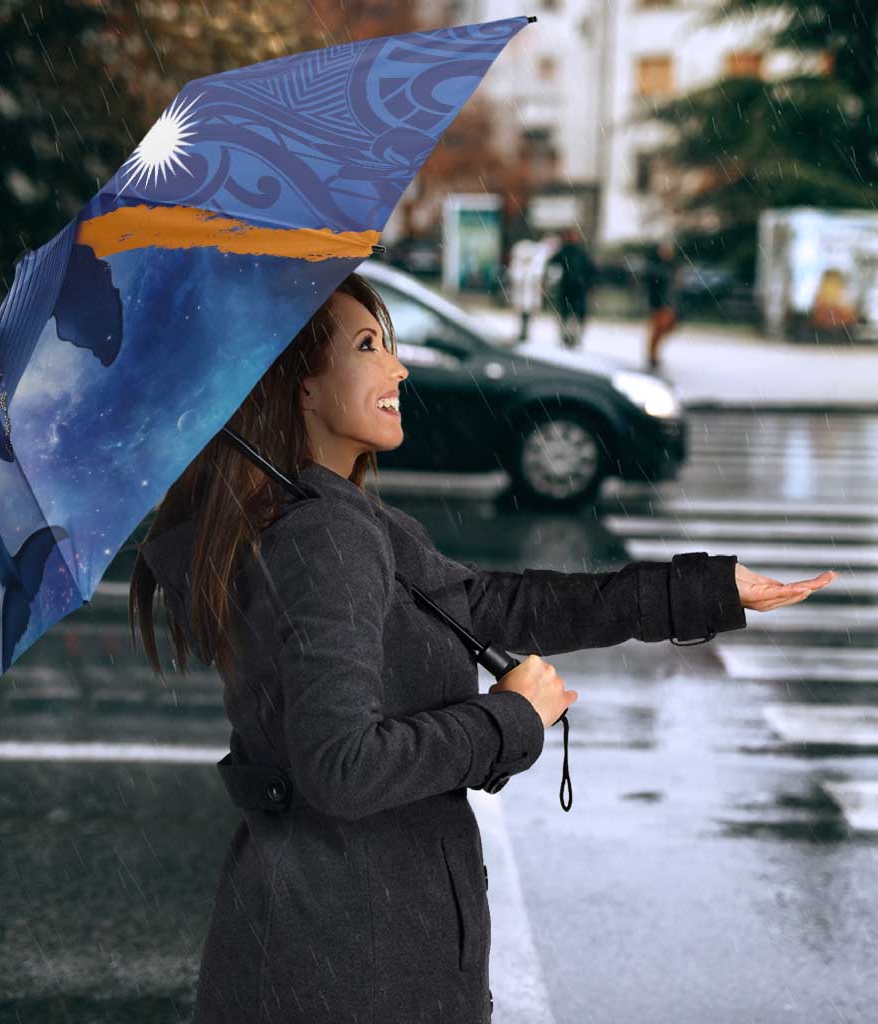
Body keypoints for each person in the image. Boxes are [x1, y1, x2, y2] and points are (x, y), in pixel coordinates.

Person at [130, 271, 827, 1024]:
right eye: (368, 347)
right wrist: (511, 719)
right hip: (354, 963)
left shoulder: (325, 518)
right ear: (301, 384)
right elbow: (341, 767)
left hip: (328, 942)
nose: (398, 369)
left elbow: (492, 605)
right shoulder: (324, 536)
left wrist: (703, 591)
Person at [546, 226, 596, 349]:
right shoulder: (568, 251)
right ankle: (567, 337)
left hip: (576, 289)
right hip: (570, 288)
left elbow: (590, 270)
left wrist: (589, 284)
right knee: (568, 314)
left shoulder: (578, 252)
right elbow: (552, 263)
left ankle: (573, 337)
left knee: (573, 315)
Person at [644, 239, 680, 370]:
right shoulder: (656, 267)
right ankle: (652, 355)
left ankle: (653, 354)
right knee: (658, 329)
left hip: (668, 303)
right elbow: (653, 286)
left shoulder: (670, 266)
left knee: (666, 327)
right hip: (659, 303)